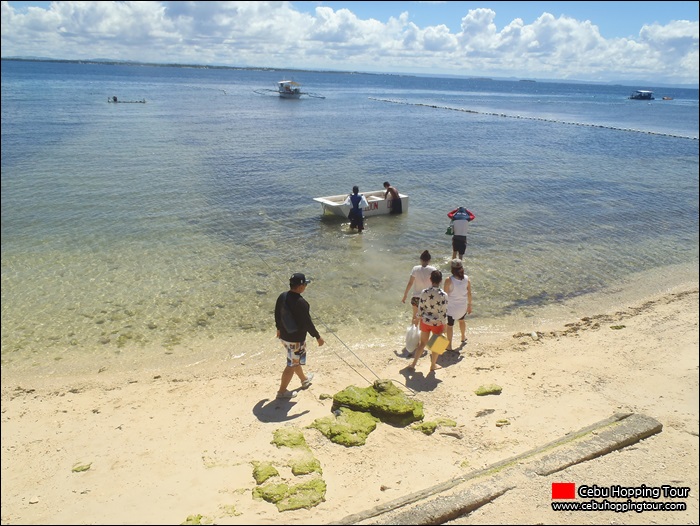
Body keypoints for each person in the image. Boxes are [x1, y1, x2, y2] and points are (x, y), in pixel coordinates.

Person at [274, 272, 325, 399]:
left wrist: (278, 328)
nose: (306, 287)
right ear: (301, 286)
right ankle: (282, 392)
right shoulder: (302, 303)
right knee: (292, 365)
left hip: (284, 336)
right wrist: (318, 337)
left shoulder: (282, 296)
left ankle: (304, 380)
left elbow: (276, 312)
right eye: (305, 284)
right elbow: (308, 323)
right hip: (295, 340)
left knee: (295, 361)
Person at [409, 269, 448, 372]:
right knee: (436, 345)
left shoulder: (424, 292)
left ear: (430, 279)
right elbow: (443, 312)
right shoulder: (443, 295)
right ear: (441, 280)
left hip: (425, 321)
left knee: (422, 344)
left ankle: (413, 364)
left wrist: (417, 317)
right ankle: (433, 365)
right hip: (437, 323)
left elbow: (421, 307)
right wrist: (445, 325)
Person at [443, 258, 472, 351]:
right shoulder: (467, 279)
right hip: (462, 308)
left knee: (449, 326)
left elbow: (445, 296)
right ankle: (463, 337)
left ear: (452, 268)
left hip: (451, 309)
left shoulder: (449, 280)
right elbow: (469, 294)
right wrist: (469, 305)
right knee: (462, 321)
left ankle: (449, 346)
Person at [402, 250, 436, 325]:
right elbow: (435, 284)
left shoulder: (415, 269)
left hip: (416, 297)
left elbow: (410, 283)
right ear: (429, 260)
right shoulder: (433, 270)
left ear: (420, 259)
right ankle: (422, 334)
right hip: (427, 298)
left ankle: (413, 334)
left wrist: (405, 295)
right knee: (425, 318)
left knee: (415, 317)